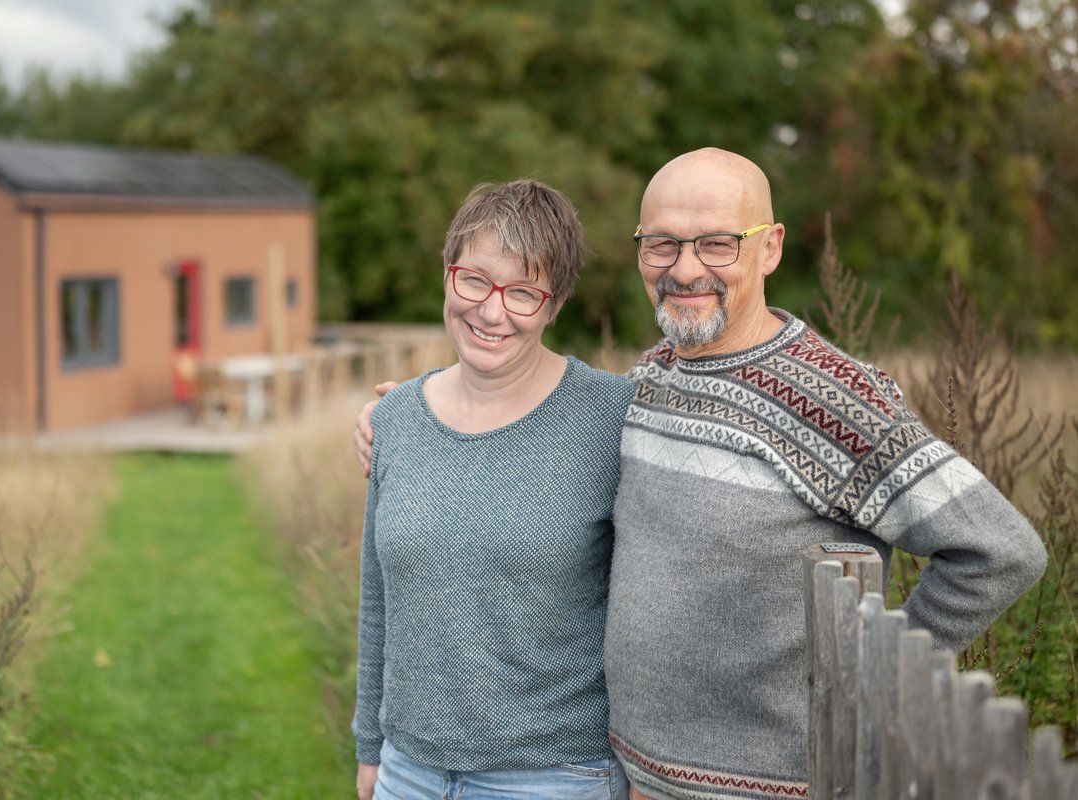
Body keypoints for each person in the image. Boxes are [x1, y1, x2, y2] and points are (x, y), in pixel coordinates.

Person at [356, 149, 1047, 800]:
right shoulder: (651, 382)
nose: (684, 268)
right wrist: (402, 416)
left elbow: (998, 551)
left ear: (769, 246)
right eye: (661, 244)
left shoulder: (834, 397)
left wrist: (871, 686)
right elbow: (522, 432)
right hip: (634, 776)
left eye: (717, 243)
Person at [354, 179, 632, 800]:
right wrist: (370, 749)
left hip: (555, 777)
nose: (490, 310)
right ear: (448, 275)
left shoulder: (614, 420)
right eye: (474, 279)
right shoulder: (395, 418)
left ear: (555, 303)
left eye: (523, 292)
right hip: (409, 772)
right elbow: (378, 599)